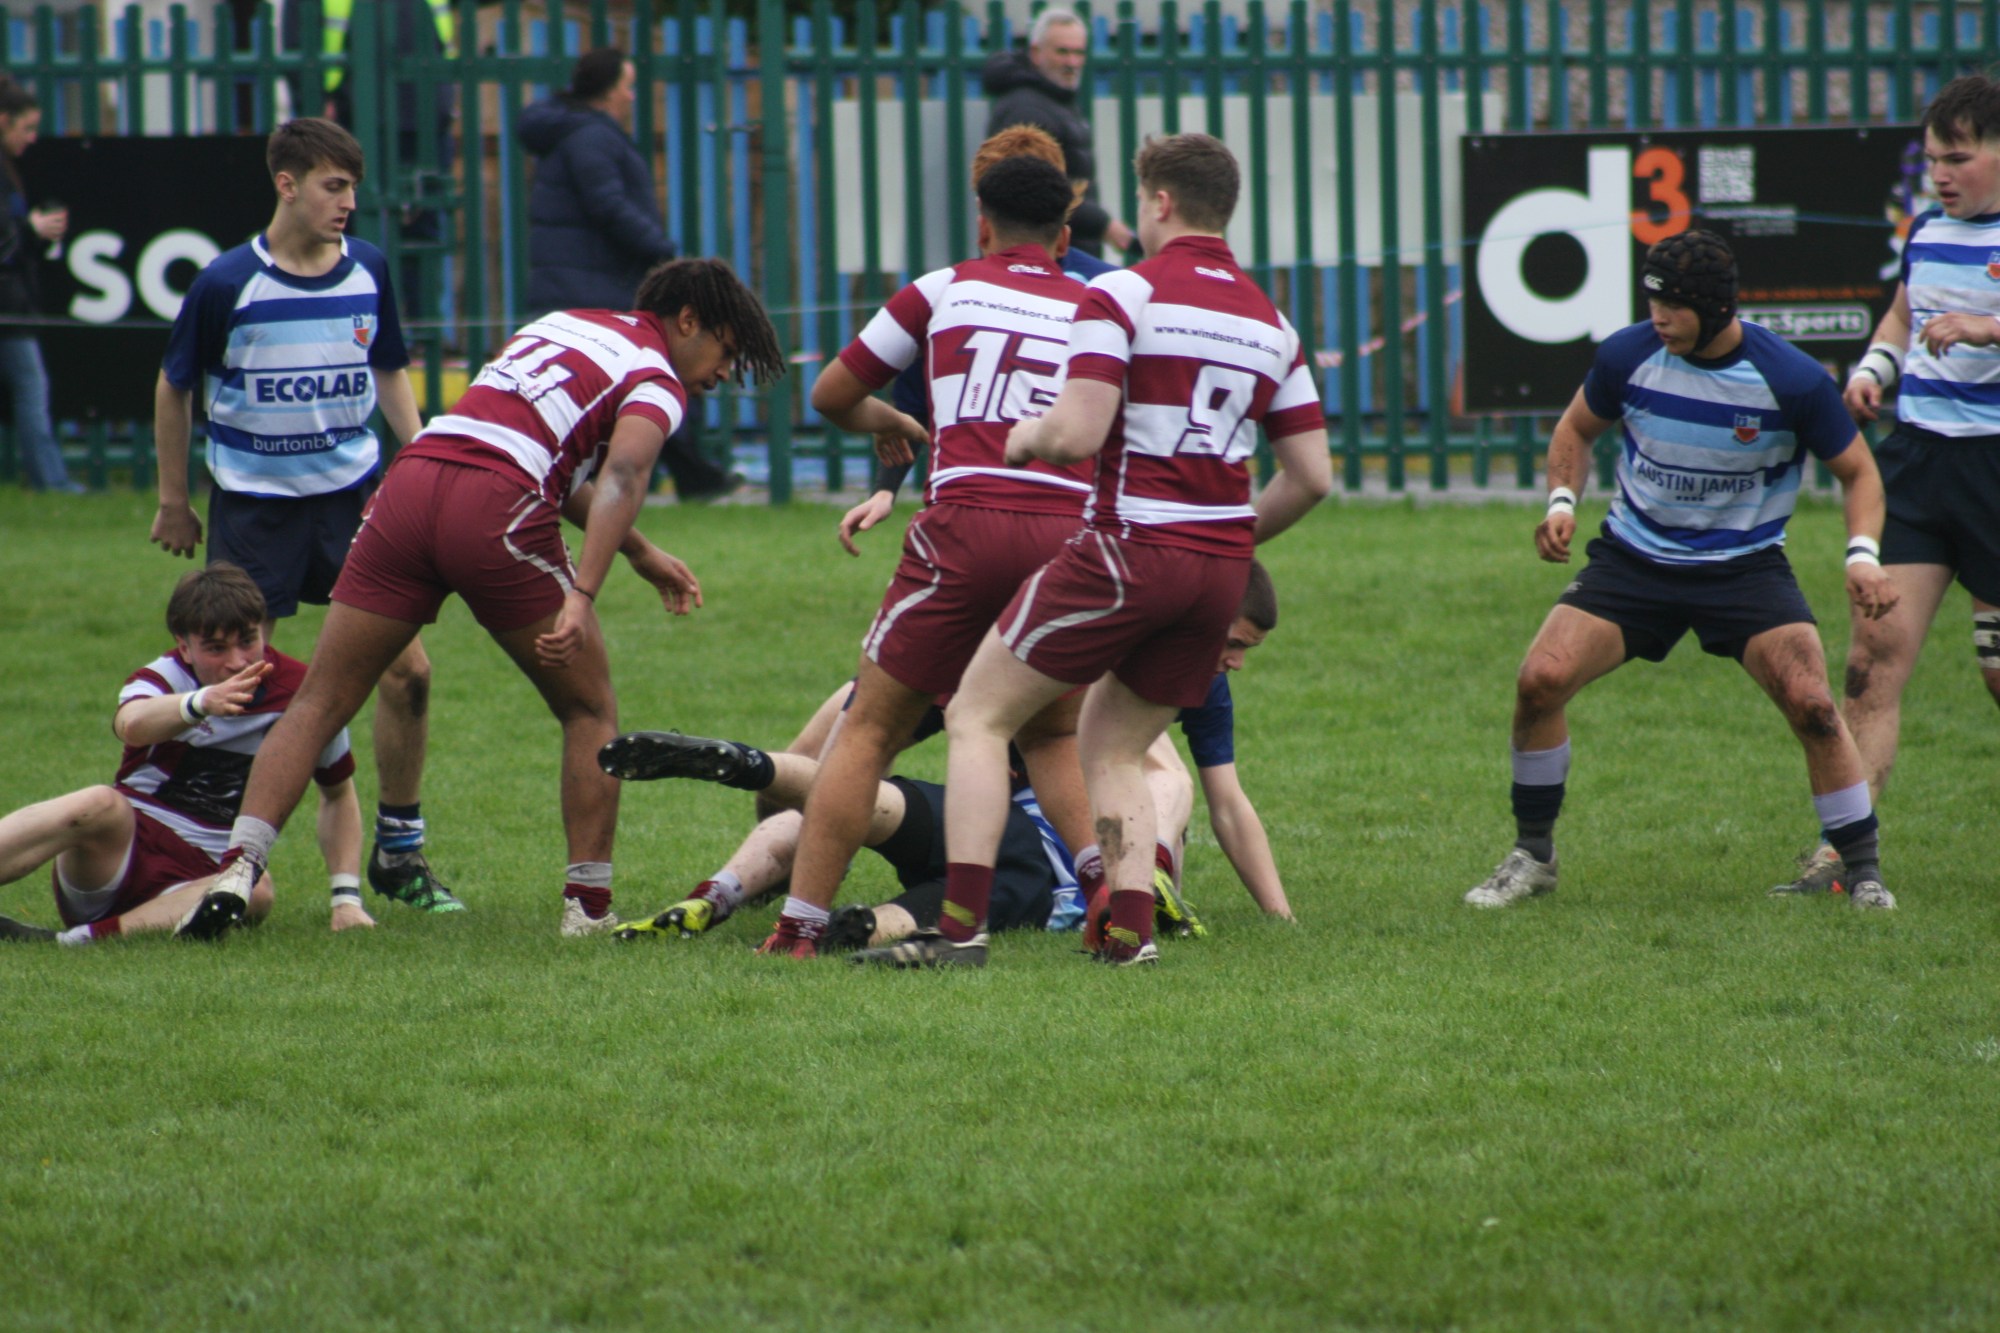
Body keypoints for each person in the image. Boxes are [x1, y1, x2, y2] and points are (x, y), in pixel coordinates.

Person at [171, 257, 785, 941]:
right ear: (688, 320)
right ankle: (587, 908)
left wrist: (640, 552)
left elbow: (528, 444)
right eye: (727, 350)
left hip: (410, 483)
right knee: (589, 709)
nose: (726, 372)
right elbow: (623, 473)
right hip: (495, 504)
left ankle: (236, 868)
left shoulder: (563, 324)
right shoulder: (656, 376)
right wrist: (583, 594)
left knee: (320, 698)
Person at [855, 133, 1331, 969]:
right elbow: (1313, 477)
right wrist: (1229, 537)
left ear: (1159, 202)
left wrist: (1025, 436)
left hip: (1128, 549)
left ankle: (958, 932)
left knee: (977, 713)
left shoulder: (1124, 291)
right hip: (1217, 572)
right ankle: (1129, 935)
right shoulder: (1272, 320)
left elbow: (1076, 432)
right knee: (1110, 746)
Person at [1464, 229, 1900, 912]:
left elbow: (1860, 473)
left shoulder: (1791, 379)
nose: (1658, 317)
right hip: (1634, 561)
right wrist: (1561, 503)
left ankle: (1862, 872)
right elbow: (1575, 430)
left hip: (1744, 568)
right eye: (1652, 302)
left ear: (1717, 308)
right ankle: (1533, 856)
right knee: (1539, 680)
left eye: (1673, 306)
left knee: (1814, 705)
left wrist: (1862, 556)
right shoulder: (1628, 354)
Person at [756, 153, 1097, 961]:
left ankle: (800, 926)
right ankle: (1111, 896)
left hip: (966, 523)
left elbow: (830, 394)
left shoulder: (941, 288)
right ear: (1065, 235)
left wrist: (894, 421)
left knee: (870, 727)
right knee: (1052, 735)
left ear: (982, 224)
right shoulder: (1100, 304)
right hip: (1064, 533)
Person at [146, 118, 460, 917]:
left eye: (353, 187)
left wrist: (422, 459)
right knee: (243, 686)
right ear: (286, 185)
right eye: (333, 185)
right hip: (254, 510)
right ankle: (221, 860)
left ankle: (399, 850)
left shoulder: (369, 268)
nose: (348, 201)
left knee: (411, 674)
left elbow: (388, 368)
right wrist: (174, 498)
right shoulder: (226, 282)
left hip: (352, 503)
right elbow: (174, 386)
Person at [1781, 76, 2000, 895]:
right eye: (1935, 157)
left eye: (1959, 157)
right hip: (1919, 465)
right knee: (1870, 665)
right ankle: (1842, 853)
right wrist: (1875, 369)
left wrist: (1988, 327)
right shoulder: (1927, 229)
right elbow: (1905, 316)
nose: (1941, 173)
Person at [0, 564, 366, 945]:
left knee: (255, 890)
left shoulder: (304, 697)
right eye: (216, 648)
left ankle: (76, 942)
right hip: (119, 858)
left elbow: (338, 793)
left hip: (204, 877)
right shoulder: (167, 676)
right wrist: (200, 703)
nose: (237, 661)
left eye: (247, 640)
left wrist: (346, 900)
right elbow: (131, 724)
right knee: (99, 803)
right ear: (184, 646)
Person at [845, 125, 1117, 553]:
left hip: (1060, 508)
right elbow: (916, 398)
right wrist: (885, 490)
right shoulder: (958, 290)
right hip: (1004, 509)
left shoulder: (1107, 289)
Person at [520, 48, 734, 503]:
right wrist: (660, 249)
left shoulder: (574, 132)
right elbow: (608, 204)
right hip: (599, 280)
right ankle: (693, 473)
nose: (631, 96)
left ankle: (692, 473)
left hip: (578, 277)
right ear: (608, 91)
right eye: (627, 86)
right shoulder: (591, 137)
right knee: (647, 371)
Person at [981, 9, 1132, 259]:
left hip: (1061, 251)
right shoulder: (1027, 109)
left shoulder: (1054, 100)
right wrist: (1102, 224)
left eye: (1078, 52)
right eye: (1062, 51)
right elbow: (1035, 191)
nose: (1072, 62)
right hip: (1043, 257)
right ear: (1036, 53)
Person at [0, 76, 81, 495]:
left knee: (31, 387)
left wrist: (32, 233)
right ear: (3, 121)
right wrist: (29, 228)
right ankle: (51, 482)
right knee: (31, 388)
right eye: (26, 127)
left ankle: (51, 480)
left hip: (14, 305)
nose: (32, 138)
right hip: (8, 308)